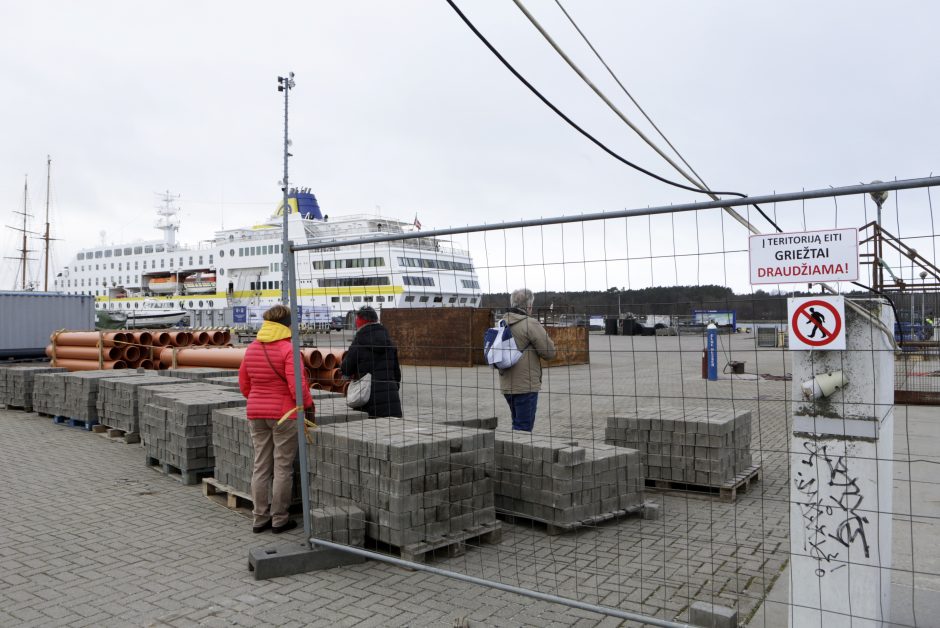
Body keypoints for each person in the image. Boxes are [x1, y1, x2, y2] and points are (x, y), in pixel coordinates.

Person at [238, 304, 313, 534]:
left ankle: (259, 518)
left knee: (260, 466)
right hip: (284, 415)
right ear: (287, 325)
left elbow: (244, 384)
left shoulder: (251, 348)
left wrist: (258, 399)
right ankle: (279, 519)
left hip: (256, 413)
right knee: (282, 467)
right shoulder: (289, 349)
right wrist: (308, 406)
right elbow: (297, 387)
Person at [499, 288, 556, 432]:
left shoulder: (502, 322)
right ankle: (516, 453)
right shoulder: (530, 324)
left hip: (506, 384)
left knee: (517, 423)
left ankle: (511, 449)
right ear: (529, 306)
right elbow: (549, 353)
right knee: (523, 428)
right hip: (526, 385)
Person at [341, 306, 403, 418]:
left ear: (360, 322)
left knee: (371, 432)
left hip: (368, 401)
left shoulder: (359, 341)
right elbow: (397, 374)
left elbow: (346, 369)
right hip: (392, 401)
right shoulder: (389, 342)